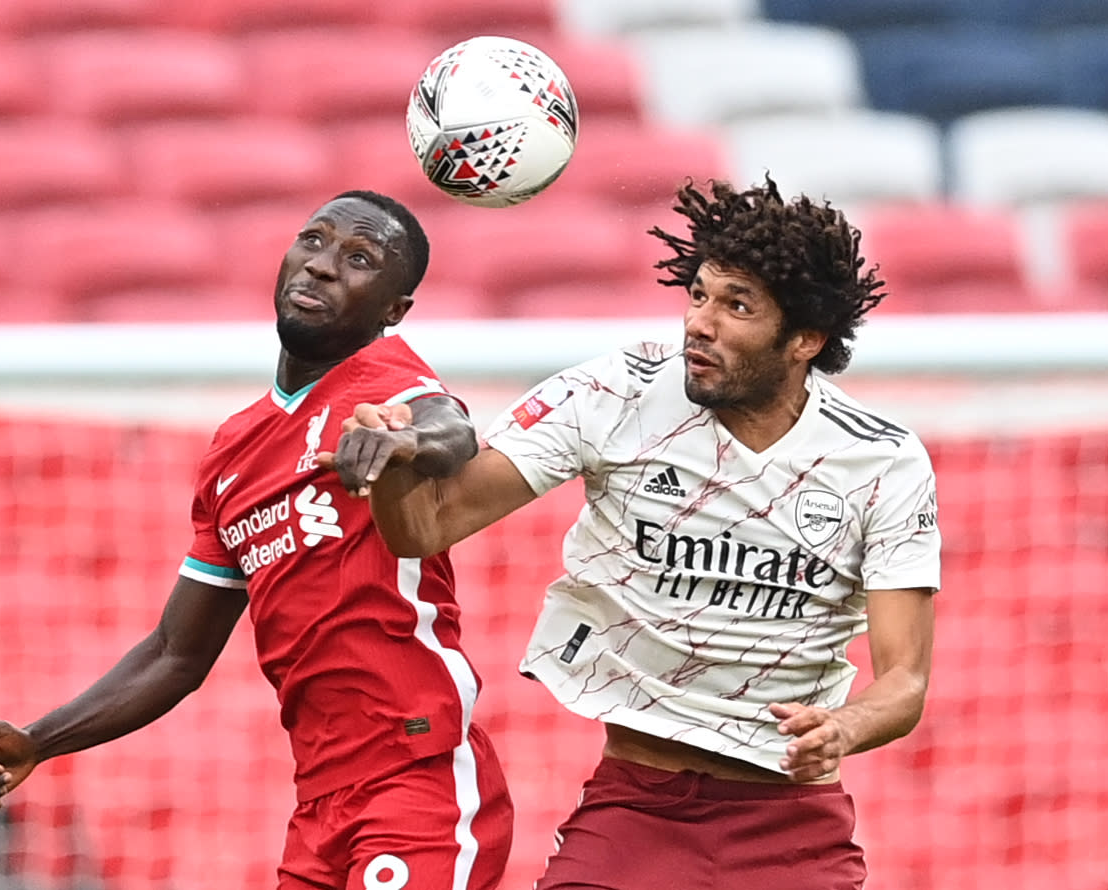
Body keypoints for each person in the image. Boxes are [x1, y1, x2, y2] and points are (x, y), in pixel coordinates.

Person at [319, 176, 941, 890]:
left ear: (804, 340)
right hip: (636, 808)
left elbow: (903, 680)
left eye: (736, 306)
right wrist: (397, 462)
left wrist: (843, 728)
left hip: (792, 825)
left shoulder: (880, 460)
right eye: (698, 295)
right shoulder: (617, 394)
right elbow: (428, 526)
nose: (698, 323)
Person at [0, 190, 514, 890]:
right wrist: (41, 741)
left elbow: (452, 431)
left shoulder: (385, 384)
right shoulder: (234, 450)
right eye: (312, 242)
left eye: (359, 259)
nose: (320, 267)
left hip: (417, 781)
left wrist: (403, 439)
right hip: (320, 804)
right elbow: (174, 653)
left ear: (392, 311)